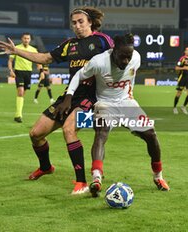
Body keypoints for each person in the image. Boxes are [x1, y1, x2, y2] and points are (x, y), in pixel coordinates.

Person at [0, 7, 114, 194]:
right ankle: (45, 167)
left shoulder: (102, 41)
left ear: (90, 22)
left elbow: (119, 60)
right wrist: (17, 51)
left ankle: (81, 182)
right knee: (35, 134)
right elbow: (45, 58)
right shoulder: (70, 44)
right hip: (69, 96)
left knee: (69, 129)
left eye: (81, 21)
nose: (77, 25)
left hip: (92, 98)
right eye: (74, 23)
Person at [55, 33, 170, 197]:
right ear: (113, 50)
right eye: (122, 57)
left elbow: (129, 70)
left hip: (127, 103)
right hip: (105, 104)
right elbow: (78, 76)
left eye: (128, 57)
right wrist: (68, 97)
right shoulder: (99, 61)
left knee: (151, 135)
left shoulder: (135, 57)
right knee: (101, 133)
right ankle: (96, 177)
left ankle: (158, 176)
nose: (125, 61)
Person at [8, 32, 40, 123]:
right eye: (25, 38)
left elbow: (38, 62)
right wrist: (11, 70)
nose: (26, 40)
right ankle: (18, 115)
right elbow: (10, 61)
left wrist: (41, 71)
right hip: (19, 72)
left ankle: (18, 113)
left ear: (30, 40)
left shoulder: (33, 50)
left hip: (28, 73)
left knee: (22, 94)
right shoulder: (16, 48)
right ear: (22, 39)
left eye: (28, 38)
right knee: (20, 92)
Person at [173, 46, 188, 115]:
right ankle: (174, 107)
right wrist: (184, 68)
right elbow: (176, 68)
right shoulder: (182, 59)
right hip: (182, 78)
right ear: (185, 52)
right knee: (179, 93)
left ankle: (183, 106)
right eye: (186, 50)